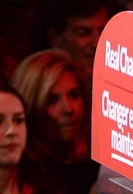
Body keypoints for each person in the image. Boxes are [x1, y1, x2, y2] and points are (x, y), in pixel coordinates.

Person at [10, 50, 97, 194]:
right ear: (29, 107)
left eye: (74, 95)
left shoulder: (98, 168)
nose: (69, 109)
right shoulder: (20, 178)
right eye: (52, 100)